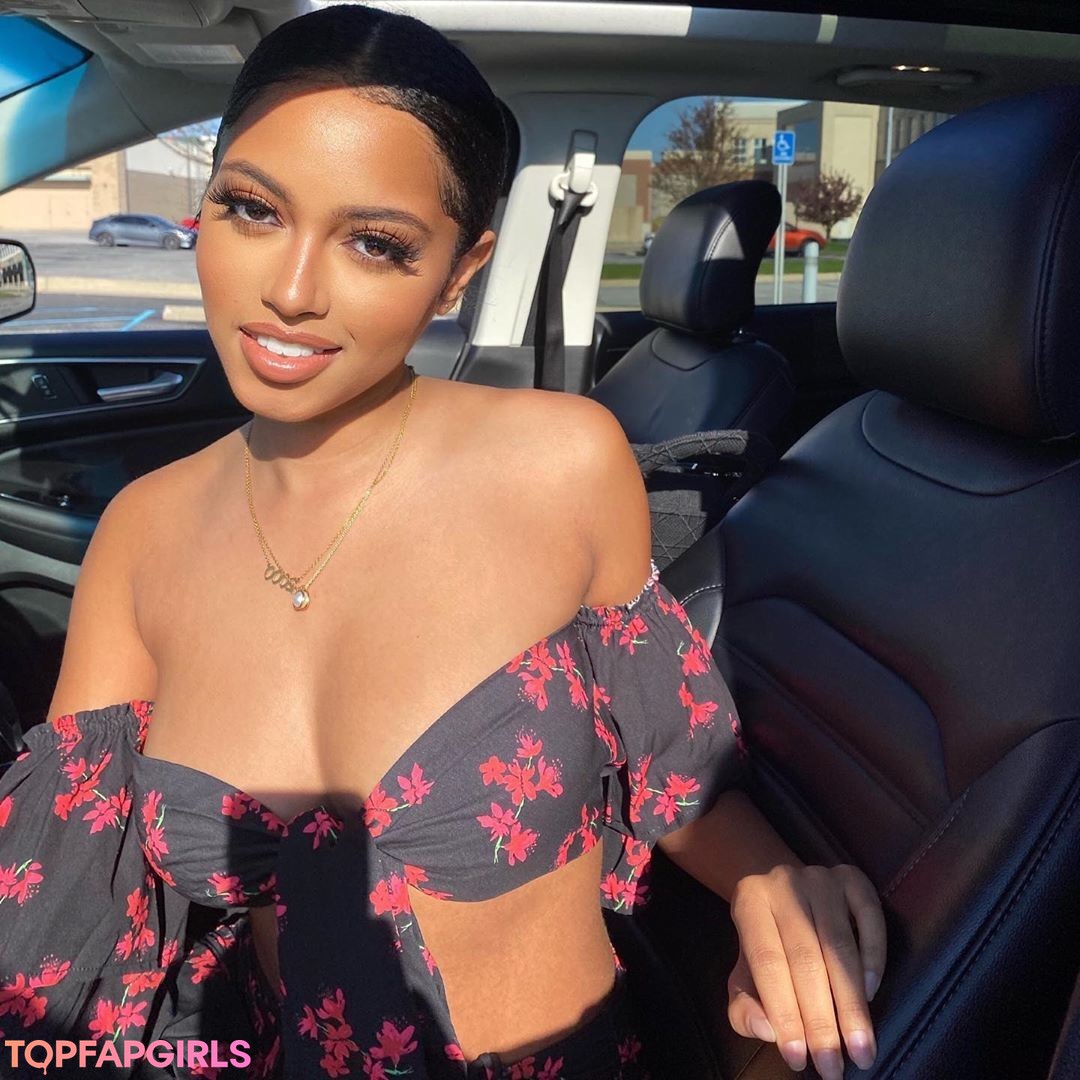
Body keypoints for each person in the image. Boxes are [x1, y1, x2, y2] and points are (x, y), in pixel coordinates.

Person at [0, 6, 886, 1079]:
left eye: (376, 243)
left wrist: (767, 880)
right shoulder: (141, 531)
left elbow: (675, 773)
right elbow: (62, 907)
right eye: (252, 209)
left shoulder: (561, 464)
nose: (290, 291)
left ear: (460, 271)